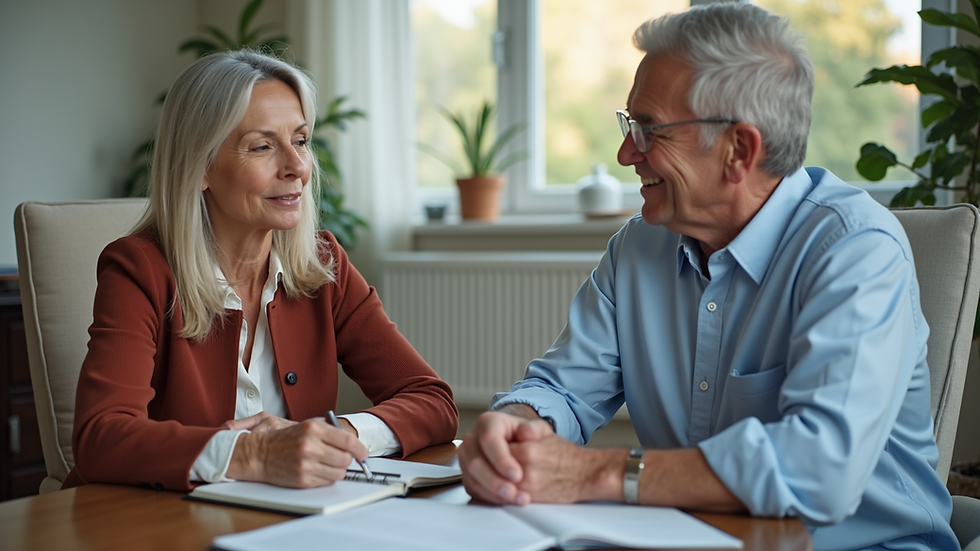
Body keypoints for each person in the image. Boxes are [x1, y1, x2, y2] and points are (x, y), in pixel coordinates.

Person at [457, 3, 958, 550]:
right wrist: (517, 426)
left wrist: (590, 474)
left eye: (649, 131)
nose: (626, 154)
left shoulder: (855, 249)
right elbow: (562, 389)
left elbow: (820, 470)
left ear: (738, 150)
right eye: (630, 126)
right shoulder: (638, 247)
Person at [66, 50, 458, 491]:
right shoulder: (139, 270)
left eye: (302, 140)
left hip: (283, 523)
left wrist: (337, 437)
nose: (296, 167)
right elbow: (100, 439)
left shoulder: (323, 266)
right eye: (263, 146)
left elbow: (432, 400)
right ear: (200, 168)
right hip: (152, 524)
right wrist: (252, 453)